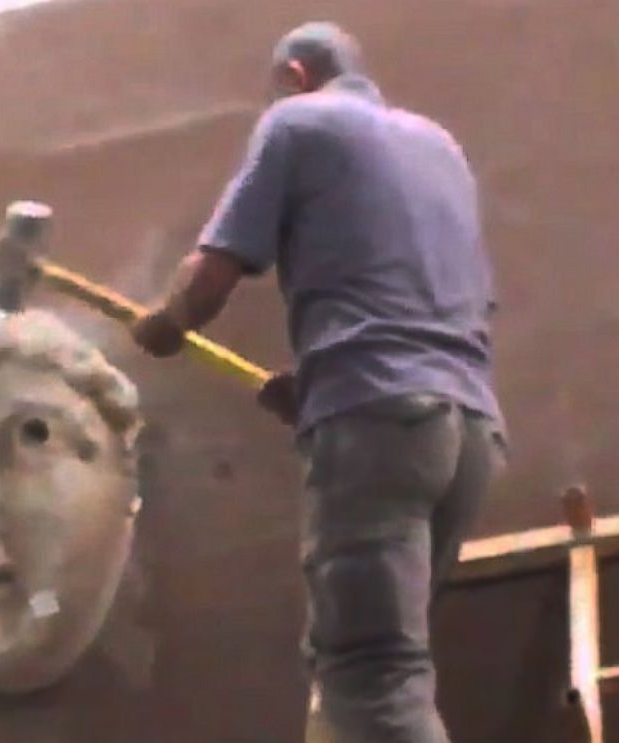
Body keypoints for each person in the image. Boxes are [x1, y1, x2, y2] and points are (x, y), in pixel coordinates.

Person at [131, 20, 507, 743]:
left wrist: (166, 323)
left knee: (371, 677)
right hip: (467, 431)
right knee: (380, 672)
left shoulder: (297, 123)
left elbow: (210, 278)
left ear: (297, 75)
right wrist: (319, 383)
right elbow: (429, 305)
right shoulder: (439, 147)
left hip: (380, 428)